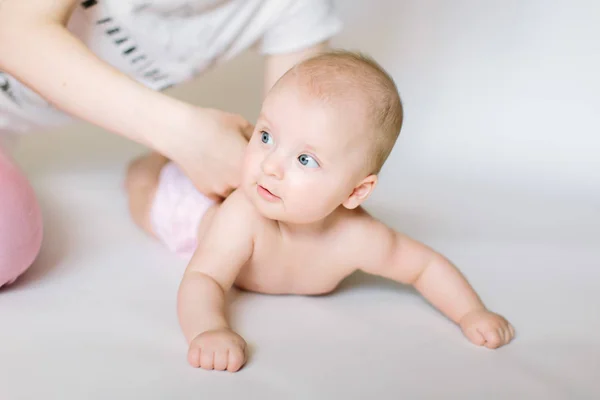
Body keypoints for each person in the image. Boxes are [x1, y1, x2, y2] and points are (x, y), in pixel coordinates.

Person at [125, 51, 515, 372]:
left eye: (305, 160)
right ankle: (151, 162)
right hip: (191, 213)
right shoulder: (244, 216)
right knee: (145, 191)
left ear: (356, 191)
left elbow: (424, 267)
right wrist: (208, 330)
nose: (271, 165)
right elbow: (204, 277)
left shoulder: (359, 239)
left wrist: (471, 313)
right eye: (266, 136)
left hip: (241, 193)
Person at [0, 0, 342, 287]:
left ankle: (151, 175)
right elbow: (13, 33)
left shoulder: (294, 8)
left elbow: (297, 151)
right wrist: (185, 135)